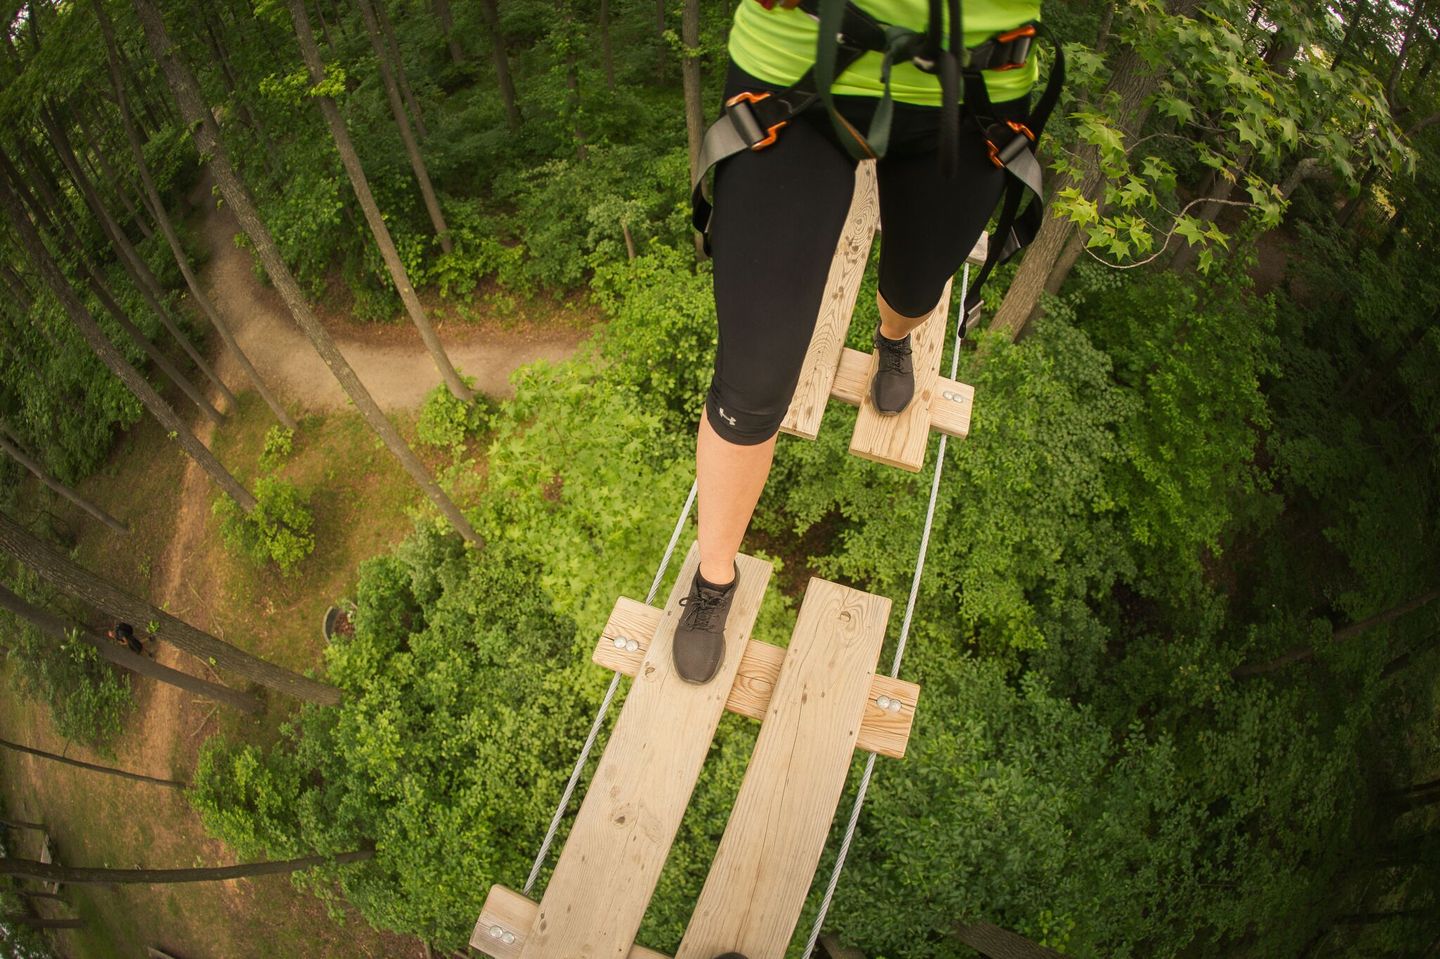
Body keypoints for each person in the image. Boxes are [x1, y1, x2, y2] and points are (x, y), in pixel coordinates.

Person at [671, 0, 1042, 683]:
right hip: (794, 66)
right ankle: (714, 577)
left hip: (970, 90)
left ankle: (892, 335)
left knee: (914, 290)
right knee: (750, 376)